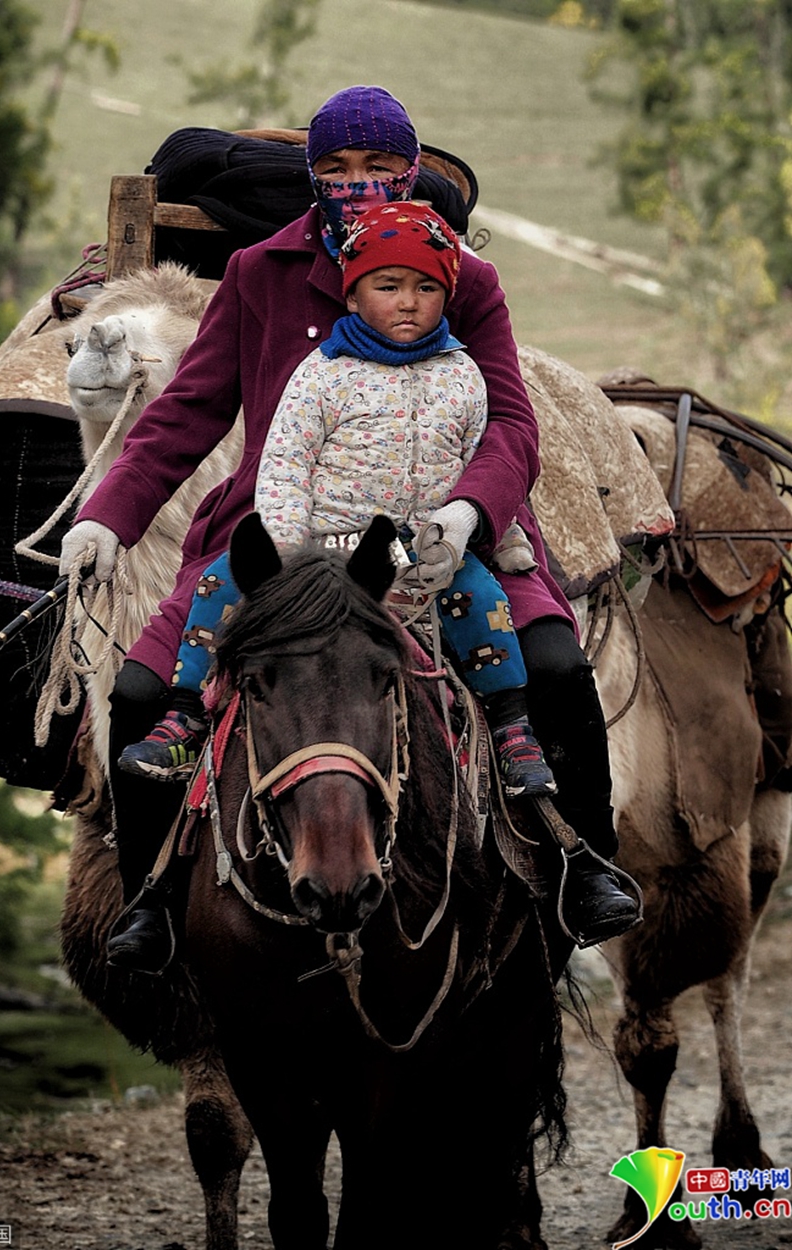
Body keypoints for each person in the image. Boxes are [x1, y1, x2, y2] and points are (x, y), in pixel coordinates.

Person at [59, 85, 639, 970]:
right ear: (311, 175)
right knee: (140, 696)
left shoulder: (466, 279)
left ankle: (583, 867)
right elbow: (187, 413)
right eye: (334, 167)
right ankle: (156, 904)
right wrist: (109, 516)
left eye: (378, 165)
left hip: (442, 526)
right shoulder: (259, 272)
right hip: (279, 528)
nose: (357, 181)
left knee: (557, 668)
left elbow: (512, 423)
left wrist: (468, 509)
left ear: (411, 170)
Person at [117, 202, 557, 800]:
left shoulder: (463, 375)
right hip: (321, 542)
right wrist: (283, 549)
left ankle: (512, 729)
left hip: (414, 545)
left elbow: (477, 454)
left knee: (484, 604)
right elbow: (286, 462)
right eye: (388, 286)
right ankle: (185, 714)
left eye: (427, 288)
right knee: (219, 589)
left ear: (447, 297)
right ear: (352, 297)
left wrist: (478, 529)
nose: (408, 302)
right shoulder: (321, 375)